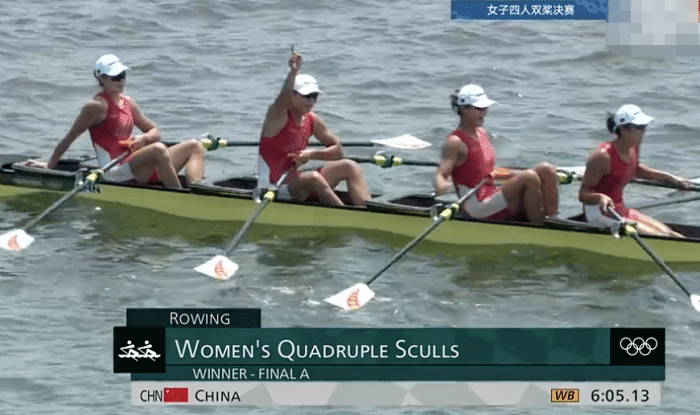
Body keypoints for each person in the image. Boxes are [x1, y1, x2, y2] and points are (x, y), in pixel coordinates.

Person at [33, 54, 206, 189]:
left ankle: (199, 192)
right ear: (101, 78)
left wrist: (144, 139)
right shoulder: (96, 106)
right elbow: (71, 136)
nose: (121, 81)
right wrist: (50, 164)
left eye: (122, 75)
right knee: (159, 149)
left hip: (135, 164)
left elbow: (155, 131)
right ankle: (180, 198)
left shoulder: (128, 102)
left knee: (195, 145)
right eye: (115, 77)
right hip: (114, 170)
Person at [257, 51, 371, 206]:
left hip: (295, 182)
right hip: (272, 185)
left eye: (314, 96)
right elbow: (282, 98)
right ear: (293, 95)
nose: (311, 101)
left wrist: (311, 154)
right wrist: (293, 71)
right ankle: (347, 215)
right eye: (307, 96)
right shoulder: (277, 116)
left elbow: (337, 150)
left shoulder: (312, 120)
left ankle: (367, 210)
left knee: (350, 166)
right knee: (313, 178)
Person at [433, 84, 559, 224]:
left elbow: (488, 172)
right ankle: (539, 227)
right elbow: (441, 174)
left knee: (546, 170)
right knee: (529, 177)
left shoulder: (482, 133)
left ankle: (553, 220)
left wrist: (514, 174)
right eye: (479, 108)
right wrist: (443, 186)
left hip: (491, 194)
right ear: (464, 109)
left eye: (485, 108)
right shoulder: (455, 141)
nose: (484, 113)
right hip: (476, 205)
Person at [578, 104, 690, 237]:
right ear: (623, 129)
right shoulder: (601, 157)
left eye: (644, 126)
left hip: (620, 209)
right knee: (661, 237)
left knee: (670, 233)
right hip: (599, 212)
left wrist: (672, 178)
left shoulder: (634, 147)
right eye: (639, 127)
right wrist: (601, 197)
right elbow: (583, 194)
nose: (644, 131)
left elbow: (637, 170)